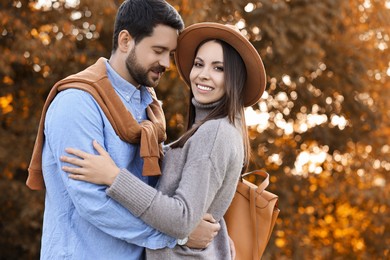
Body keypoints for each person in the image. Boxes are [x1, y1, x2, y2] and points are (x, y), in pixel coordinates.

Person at [26, 1, 219, 259]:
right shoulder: (78, 102)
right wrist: (176, 235)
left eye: (170, 54)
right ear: (126, 41)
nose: (166, 63)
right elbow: (92, 203)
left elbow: (152, 190)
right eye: (158, 50)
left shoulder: (148, 105)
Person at [60, 22, 267, 259]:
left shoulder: (216, 133)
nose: (203, 74)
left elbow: (182, 219)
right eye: (199, 64)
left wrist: (113, 177)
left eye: (218, 68)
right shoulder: (213, 129)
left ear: (235, 79)